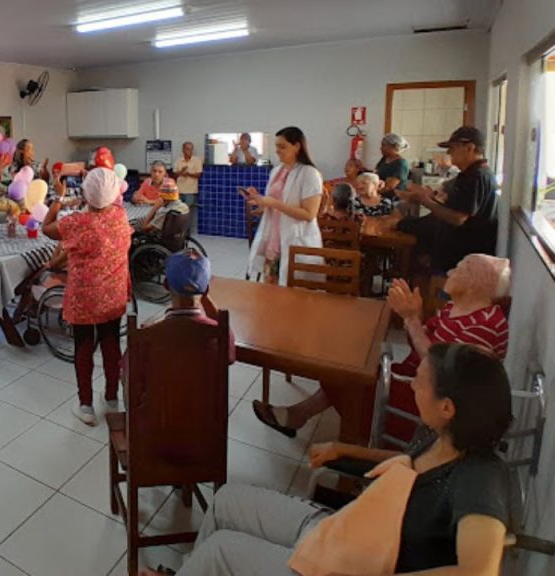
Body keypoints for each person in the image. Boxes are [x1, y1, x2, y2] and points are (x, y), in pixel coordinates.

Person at [147, 343, 514, 576]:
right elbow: (407, 465)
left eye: (420, 381)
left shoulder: (480, 478)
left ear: (447, 406)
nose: (411, 384)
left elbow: (478, 571)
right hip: (339, 528)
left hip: (350, 565)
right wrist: (346, 450)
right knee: (226, 500)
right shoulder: (438, 434)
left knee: (219, 549)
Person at [253, 253, 510, 437]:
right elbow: (423, 349)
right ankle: (298, 416)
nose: (452, 272)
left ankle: (353, 447)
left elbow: (442, 368)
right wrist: (415, 318)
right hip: (415, 379)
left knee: (343, 373)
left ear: (477, 283)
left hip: (432, 404)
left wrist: (411, 318)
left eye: (460, 269)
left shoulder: (483, 325)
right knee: (343, 366)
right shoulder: (458, 308)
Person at [42, 168, 132, 425]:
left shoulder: (76, 223)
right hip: (112, 296)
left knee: (83, 347)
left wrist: (58, 199)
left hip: (83, 298)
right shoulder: (120, 216)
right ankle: (112, 398)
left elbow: (47, 228)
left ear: (85, 194)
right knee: (111, 344)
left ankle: (86, 406)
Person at [399, 127, 499, 275]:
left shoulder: (477, 176)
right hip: (452, 254)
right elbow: (455, 207)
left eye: (452, 148)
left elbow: (458, 218)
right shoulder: (468, 175)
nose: (449, 153)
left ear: (470, 148)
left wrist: (425, 201)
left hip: (462, 257)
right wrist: (432, 197)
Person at [242, 127, 324, 285]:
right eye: (276, 146)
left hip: (296, 240)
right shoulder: (276, 171)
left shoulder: (309, 174)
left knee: (293, 296)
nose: (277, 151)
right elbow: (273, 205)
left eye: (282, 146)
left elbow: (309, 214)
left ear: (297, 147)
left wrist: (273, 203)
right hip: (273, 241)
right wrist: (260, 202)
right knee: (270, 292)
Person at [144, 249, 236, 363]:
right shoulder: (218, 333)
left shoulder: (147, 335)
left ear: (166, 284)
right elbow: (230, 358)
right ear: (206, 289)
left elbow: (127, 377)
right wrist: (206, 298)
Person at [173, 141, 203, 208]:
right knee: (178, 210)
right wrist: (181, 171)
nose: (190, 151)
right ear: (183, 150)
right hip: (179, 191)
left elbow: (199, 175)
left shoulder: (197, 160)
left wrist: (188, 174)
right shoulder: (178, 160)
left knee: (188, 210)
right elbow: (174, 175)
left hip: (191, 191)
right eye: (187, 149)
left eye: (191, 149)